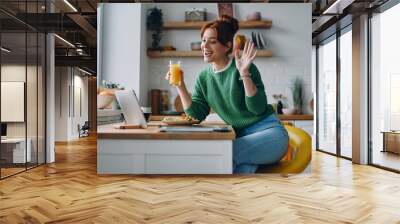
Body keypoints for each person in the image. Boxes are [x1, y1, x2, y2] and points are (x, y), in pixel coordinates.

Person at [165, 15, 288, 174]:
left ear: (227, 46)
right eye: (203, 40)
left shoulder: (244, 67)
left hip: (271, 135)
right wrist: (180, 86)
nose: (205, 46)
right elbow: (196, 114)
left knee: (224, 153)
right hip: (243, 138)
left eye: (213, 41)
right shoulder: (204, 77)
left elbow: (257, 108)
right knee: (241, 170)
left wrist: (244, 73)